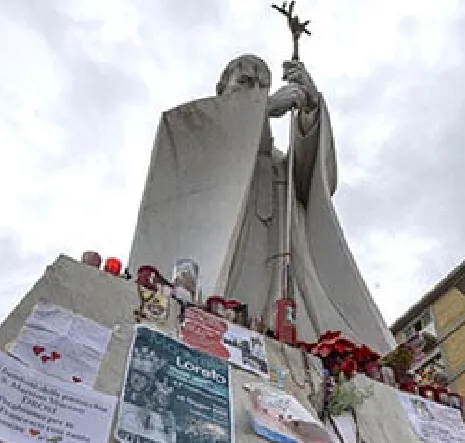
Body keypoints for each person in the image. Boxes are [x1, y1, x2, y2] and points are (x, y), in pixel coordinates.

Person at [127, 54, 394, 353]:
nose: (255, 91)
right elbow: (185, 140)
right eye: (245, 82)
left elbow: (317, 182)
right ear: (221, 88)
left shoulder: (281, 165)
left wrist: (311, 108)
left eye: (262, 87)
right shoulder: (196, 132)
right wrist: (262, 108)